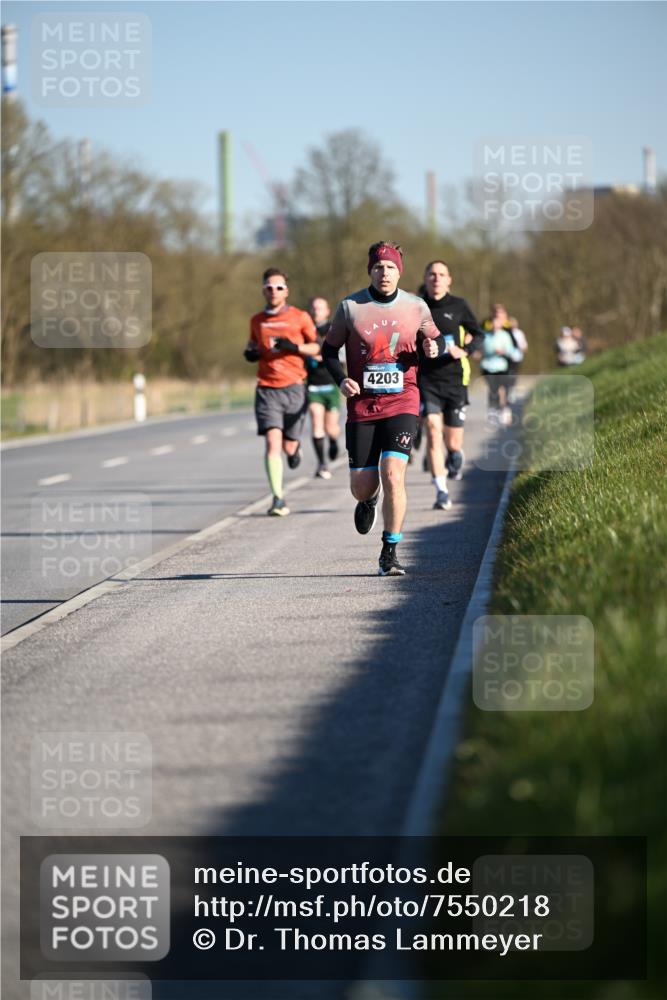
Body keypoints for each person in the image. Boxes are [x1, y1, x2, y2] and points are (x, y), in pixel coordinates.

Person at [322, 241, 450, 576]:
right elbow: (327, 351)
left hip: (403, 401)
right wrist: (341, 380)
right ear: (370, 271)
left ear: (399, 272)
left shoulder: (416, 306)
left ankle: (390, 550)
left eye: (390, 267)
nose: (384, 273)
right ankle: (368, 501)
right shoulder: (350, 307)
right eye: (378, 267)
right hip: (362, 406)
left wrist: (433, 348)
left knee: (393, 474)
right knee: (361, 486)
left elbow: (439, 339)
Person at [244, 268, 320, 516]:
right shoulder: (256, 320)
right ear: (263, 290)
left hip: (295, 387)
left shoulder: (300, 317)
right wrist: (251, 352)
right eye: (268, 287)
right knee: (271, 442)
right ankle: (278, 498)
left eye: (278, 287)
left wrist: (294, 347)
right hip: (267, 388)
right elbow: (253, 345)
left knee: (288, 447)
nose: (273, 291)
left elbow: (317, 347)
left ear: (286, 291)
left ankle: (295, 448)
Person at [417, 261, 485, 510]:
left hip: (454, 380)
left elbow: (479, 334)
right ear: (425, 278)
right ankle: (441, 491)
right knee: (433, 433)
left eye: (441, 274)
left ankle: (456, 455)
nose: (436, 278)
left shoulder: (459, 305)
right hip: (426, 380)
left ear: (449, 280)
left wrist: (464, 350)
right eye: (432, 274)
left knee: (453, 442)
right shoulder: (415, 306)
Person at [305, 296, 341, 480]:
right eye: (313, 308)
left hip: (331, 384)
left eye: (319, 308)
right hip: (313, 386)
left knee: (331, 427)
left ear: (327, 311)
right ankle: (322, 463)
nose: (315, 311)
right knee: (316, 420)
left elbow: (342, 354)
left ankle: (334, 441)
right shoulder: (305, 330)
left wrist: (326, 357)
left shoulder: (333, 329)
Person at [480, 305, 523, 425]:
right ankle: (494, 410)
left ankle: (504, 409)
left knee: (504, 388)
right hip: (488, 365)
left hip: (506, 364)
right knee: (494, 388)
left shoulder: (508, 329)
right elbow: (480, 343)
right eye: (496, 313)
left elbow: (514, 347)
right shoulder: (485, 327)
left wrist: (505, 352)